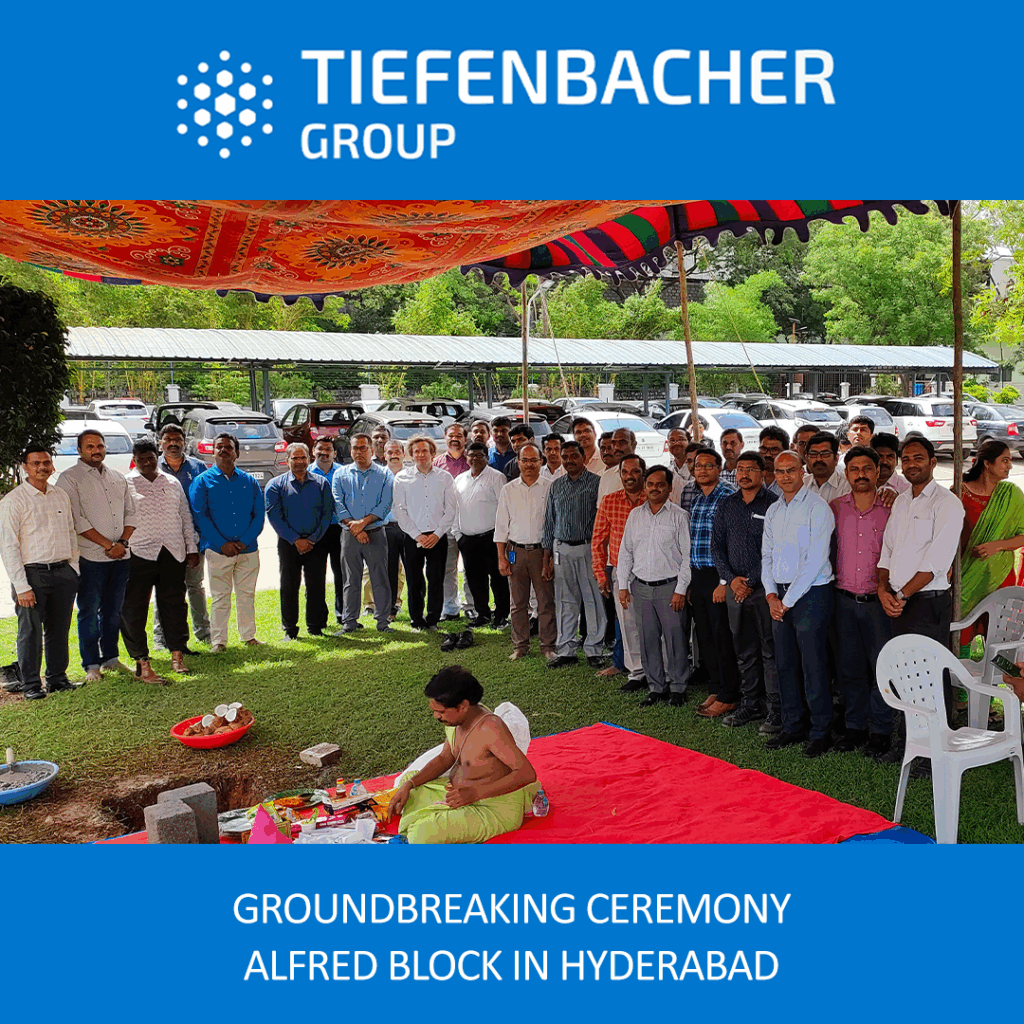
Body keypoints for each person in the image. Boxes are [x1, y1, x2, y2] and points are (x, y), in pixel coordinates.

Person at [877, 435, 965, 753]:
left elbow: (936, 563)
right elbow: (887, 551)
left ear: (932, 462)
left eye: (918, 458)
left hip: (926, 604)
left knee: (930, 676)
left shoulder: (947, 504)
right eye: (907, 459)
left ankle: (934, 748)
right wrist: (882, 589)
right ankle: (909, 743)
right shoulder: (902, 501)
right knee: (904, 675)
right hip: (897, 602)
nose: (911, 464)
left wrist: (900, 596)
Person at [387, 666, 539, 844]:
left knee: (422, 834)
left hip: (490, 807)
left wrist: (474, 794)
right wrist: (410, 784)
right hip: (458, 793)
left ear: (463, 706)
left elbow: (527, 773)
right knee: (409, 782)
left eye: (441, 711)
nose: (436, 716)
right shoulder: (458, 721)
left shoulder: (490, 729)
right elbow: (445, 758)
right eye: (434, 711)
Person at [761, 451, 836, 757]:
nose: (785, 476)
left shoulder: (818, 508)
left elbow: (816, 560)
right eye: (779, 471)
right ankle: (793, 726)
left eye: (791, 470)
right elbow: (766, 555)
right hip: (780, 596)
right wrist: (770, 595)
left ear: (802, 471)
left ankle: (820, 731)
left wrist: (786, 601)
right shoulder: (774, 510)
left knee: (813, 664)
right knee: (786, 663)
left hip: (811, 594)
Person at [56, 428, 137, 681]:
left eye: (100, 446)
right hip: (90, 557)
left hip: (121, 557)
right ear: (79, 450)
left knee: (113, 610)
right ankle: (91, 665)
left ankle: (111, 658)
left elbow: (131, 513)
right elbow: (76, 519)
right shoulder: (69, 479)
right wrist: (107, 545)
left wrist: (122, 543)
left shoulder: (117, 476)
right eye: (90, 446)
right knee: (89, 611)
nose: (96, 450)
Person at [0, 445, 80, 699]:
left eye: (46, 462)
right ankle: (32, 685)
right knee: (30, 632)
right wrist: (21, 586)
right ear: (25, 467)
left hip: (63, 572)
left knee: (59, 629)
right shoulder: (13, 501)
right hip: (32, 575)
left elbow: (71, 533)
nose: (42, 467)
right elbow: (8, 546)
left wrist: (74, 568)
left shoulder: (60, 495)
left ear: (52, 465)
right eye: (35, 463)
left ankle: (57, 679)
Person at [829, 445, 894, 757]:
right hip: (843, 600)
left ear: (878, 471)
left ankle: (881, 731)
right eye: (854, 469)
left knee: (882, 668)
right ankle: (855, 727)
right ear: (846, 473)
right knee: (850, 667)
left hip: (878, 602)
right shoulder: (835, 508)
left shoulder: (892, 507)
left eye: (867, 468)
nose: (861, 474)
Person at [710, 451, 781, 731]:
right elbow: (717, 546)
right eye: (740, 469)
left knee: (769, 650)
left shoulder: (773, 504)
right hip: (734, 589)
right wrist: (731, 579)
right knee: (744, 649)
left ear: (763, 473)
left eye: (751, 469)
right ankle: (750, 704)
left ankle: (775, 709)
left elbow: (774, 550)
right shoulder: (727, 504)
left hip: (765, 589)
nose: (744, 474)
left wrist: (750, 581)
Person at [121, 439, 199, 681]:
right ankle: (141, 660)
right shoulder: (125, 484)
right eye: (141, 459)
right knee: (134, 608)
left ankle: (177, 654)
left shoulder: (172, 482)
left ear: (157, 457)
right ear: (134, 459)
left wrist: (191, 547)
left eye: (151, 458)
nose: (147, 463)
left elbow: (185, 515)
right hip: (139, 552)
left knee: (174, 605)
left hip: (172, 552)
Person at [617, 465, 692, 706]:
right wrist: (622, 584)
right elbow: (626, 552)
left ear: (669, 488)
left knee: (675, 638)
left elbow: (687, 557)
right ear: (645, 487)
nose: (655, 488)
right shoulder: (635, 516)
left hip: (670, 587)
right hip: (641, 587)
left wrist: (681, 589)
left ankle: (678, 687)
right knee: (647, 639)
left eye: (660, 484)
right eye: (650, 484)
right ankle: (656, 687)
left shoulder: (679, 516)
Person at [189, 432, 266, 653]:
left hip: (248, 550)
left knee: (246, 595)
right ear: (213, 452)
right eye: (219, 447)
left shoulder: (249, 482)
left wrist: (243, 542)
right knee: (220, 597)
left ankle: (248, 636)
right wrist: (221, 543)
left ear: (237, 453)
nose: (224, 450)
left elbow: (258, 516)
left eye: (229, 447)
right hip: (217, 550)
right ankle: (219, 641)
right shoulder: (202, 481)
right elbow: (200, 517)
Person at [688, 449, 742, 719]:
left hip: (718, 575)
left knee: (722, 636)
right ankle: (715, 687)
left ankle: (729, 695)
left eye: (708, 465)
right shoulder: (697, 498)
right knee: (705, 635)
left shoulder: (728, 497)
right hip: (698, 574)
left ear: (719, 469)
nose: (702, 470)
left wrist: (723, 581)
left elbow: (730, 542)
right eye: (698, 465)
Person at [542, 440, 606, 668]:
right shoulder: (556, 486)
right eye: (565, 457)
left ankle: (594, 649)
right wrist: (546, 558)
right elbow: (549, 522)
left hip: (588, 548)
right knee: (565, 600)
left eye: (573, 456)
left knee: (593, 599)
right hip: (561, 549)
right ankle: (567, 649)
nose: (569, 460)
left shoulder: (596, 483)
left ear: (583, 458)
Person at [494, 443, 557, 662]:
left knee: (546, 601)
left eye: (533, 460)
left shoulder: (550, 487)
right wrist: (502, 557)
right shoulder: (508, 490)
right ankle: (520, 645)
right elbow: (501, 525)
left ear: (541, 461)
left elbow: (554, 524)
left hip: (542, 552)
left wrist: (550, 557)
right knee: (518, 603)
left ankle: (548, 646)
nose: (529, 464)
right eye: (525, 460)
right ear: (518, 462)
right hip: (515, 552)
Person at [264, 443, 334, 640]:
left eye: (303, 457)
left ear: (309, 459)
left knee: (316, 585)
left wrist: (312, 539)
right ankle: (290, 629)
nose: (299, 462)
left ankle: (315, 626)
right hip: (289, 543)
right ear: (287, 460)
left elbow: (327, 513)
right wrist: (295, 539)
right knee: (289, 585)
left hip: (316, 542)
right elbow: (275, 517)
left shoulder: (321, 483)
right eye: (295, 458)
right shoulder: (275, 485)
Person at [958, 440, 1024, 646]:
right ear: (987, 463)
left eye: (1010, 461)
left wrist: (997, 546)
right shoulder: (959, 493)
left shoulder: (1011, 494)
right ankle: (959, 666)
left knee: (998, 636)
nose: (1009, 466)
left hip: (999, 577)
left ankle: (997, 668)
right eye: (1004, 460)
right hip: (965, 576)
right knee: (961, 633)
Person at [592, 454, 648, 690]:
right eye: (625, 472)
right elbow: (598, 540)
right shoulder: (609, 501)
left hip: (653, 572)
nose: (629, 476)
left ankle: (659, 671)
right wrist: (601, 574)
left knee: (654, 624)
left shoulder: (653, 498)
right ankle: (636, 673)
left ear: (643, 473)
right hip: (621, 572)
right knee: (627, 624)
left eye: (634, 471)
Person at [332, 433, 395, 633]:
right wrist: (355, 528)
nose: (359, 452)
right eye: (355, 448)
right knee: (350, 580)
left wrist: (362, 523)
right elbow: (337, 503)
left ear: (372, 450)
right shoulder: (340, 474)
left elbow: (385, 504)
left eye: (363, 448)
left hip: (375, 532)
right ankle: (349, 622)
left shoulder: (385, 474)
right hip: (349, 535)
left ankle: (383, 622)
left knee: (380, 578)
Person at [155, 424, 210, 650]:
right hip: (163, 540)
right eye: (168, 439)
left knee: (195, 586)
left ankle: (204, 633)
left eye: (177, 439)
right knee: (165, 589)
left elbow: (206, 502)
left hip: (194, 539)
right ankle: (161, 638)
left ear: (184, 442)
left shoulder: (198, 467)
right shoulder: (152, 466)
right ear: (160, 442)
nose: (173, 443)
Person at [393, 434, 457, 631]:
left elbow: (451, 509)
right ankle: (417, 620)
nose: (421, 454)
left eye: (424, 451)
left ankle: (433, 620)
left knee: (436, 578)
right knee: (414, 580)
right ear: (411, 455)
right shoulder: (402, 478)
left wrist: (437, 534)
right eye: (416, 451)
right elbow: (400, 510)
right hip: (413, 536)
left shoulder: (445, 478)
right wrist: (417, 535)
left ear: (432, 453)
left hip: (438, 536)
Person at [453, 442, 509, 628]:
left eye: (479, 455)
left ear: (487, 457)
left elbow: (504, 509)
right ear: (466, 457)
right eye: (471, 455)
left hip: (491, 538)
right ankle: (482, 614)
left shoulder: (497, 477)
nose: (475, 459)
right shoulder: (460, 479)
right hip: (467, 539)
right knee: (475, 579)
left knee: (498, 579)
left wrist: (502, 538)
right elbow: (455, 509)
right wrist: (458, 535)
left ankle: (501, 616)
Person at [434, 423, 470, 622]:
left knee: (471, 568)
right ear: (445, 438)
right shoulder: (436, 463)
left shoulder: (473, 460)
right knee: (448, 567)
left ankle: (471, 605)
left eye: (459, 435)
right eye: (451, 435)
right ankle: (450, 607)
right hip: (446, 524)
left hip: (469, 522)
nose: (455, 439)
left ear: (465, 439)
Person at [311, 436, 346, 626]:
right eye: (320, 449)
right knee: (316, 575)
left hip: (339, 529)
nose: (324, 453)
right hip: (316, 530)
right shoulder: (306, 472)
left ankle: (343, 614)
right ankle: (318, 617)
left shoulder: (343, 472)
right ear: (313, 451)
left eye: (328, 449)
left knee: (342, 574)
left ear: (334, 453)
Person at [803, 432, 851, 502]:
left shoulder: (848, 485)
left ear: (836, 458)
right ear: (807, 458)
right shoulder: (802, 484)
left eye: (825, 454)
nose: (819, 459)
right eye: (813, 454)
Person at [596, 428, 637, 500]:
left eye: (622, 443)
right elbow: (601, 506)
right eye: (614, 443)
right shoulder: (606, 476)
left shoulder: (647, 474)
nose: (617, 447)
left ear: (634, 445)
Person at [758, 426, 789, 498]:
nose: (767, 454)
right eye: (763, 449)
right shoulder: (749, 476)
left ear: (785, 452)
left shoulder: (793, 480)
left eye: (774, 450)